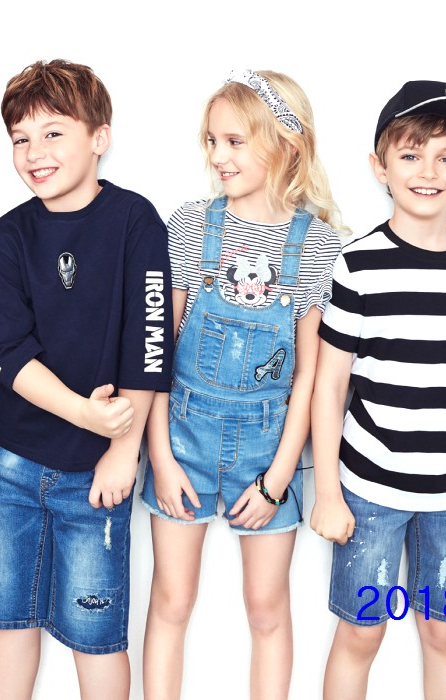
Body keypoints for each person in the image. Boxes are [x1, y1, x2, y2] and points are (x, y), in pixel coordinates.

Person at [140, 69, 345, 699]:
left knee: (266, 609)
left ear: (285, 143)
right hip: (184, 443)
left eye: (234, 141)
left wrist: (278, 479)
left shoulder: (318, 245)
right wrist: (161, 458)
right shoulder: (188, 225)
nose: (218, 156)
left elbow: (309, 376)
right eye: (212, 141)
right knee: (171, 600)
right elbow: (157, 356)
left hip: (267, 449)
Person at [0, 59, 172, 700]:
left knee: (97, 634)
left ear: (99, 137)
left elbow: (149, 343)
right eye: (20, 139)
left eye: (53, 133)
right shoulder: (4, 240)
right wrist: (83, 413)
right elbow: (6, 353)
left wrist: (120, 449)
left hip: (97, 475)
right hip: (12, 464)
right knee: (9, 618)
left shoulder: (136, 222)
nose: (35, 152)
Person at [310, 80, 446, 699]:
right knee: (361, 633)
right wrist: (328, 492)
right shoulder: (359, 264)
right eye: (410, 154)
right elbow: (330, 383)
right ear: (380, 167)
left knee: (442, 630)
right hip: (370, 488)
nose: (428, 171)